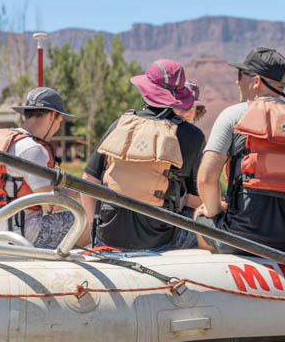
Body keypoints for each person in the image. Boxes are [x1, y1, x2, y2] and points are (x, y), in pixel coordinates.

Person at [195, 47, 285, 256]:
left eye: (240, 75)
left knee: (200, 215)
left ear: (256, 81)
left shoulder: (233, 115)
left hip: (239, 241)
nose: (237, 81)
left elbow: (206, 178)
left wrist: (215, 212)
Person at [82, 60, 205, 251]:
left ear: (146, 90)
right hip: (159, 240)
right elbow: (196, 200)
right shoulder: (192, 136)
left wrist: (94, 229)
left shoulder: (119, 124)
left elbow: (89, 179)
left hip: (107, 236)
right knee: (203, 215)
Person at [0, 87, 85, 248]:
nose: (57, 127)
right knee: (86, 219)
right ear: (53, 116)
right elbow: (51, 205)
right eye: (60, 121)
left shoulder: (8, 142)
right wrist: (71, 192)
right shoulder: (32, 149)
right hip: (26, 235)